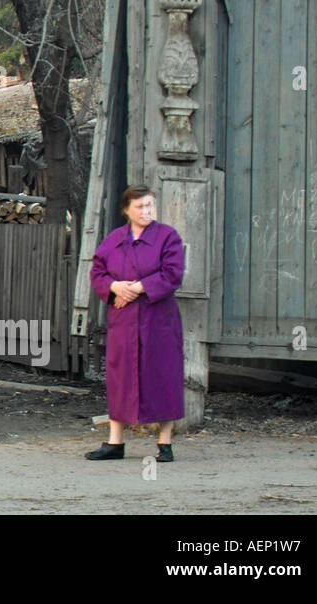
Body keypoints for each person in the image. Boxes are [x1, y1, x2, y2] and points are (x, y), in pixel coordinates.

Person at [85, 185, 186, 462]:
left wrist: (138, 288)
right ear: (127, 209)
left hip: (158, 319)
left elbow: (173, 273)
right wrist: (115, 286)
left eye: (150, 205)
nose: (146, 211)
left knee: (163, 376)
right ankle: (115, 442)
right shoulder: (114, 239)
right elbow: (97, 272)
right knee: (121, 377)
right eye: (140, 206)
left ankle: (165, 443)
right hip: (125, 320)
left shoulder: (168, 237)